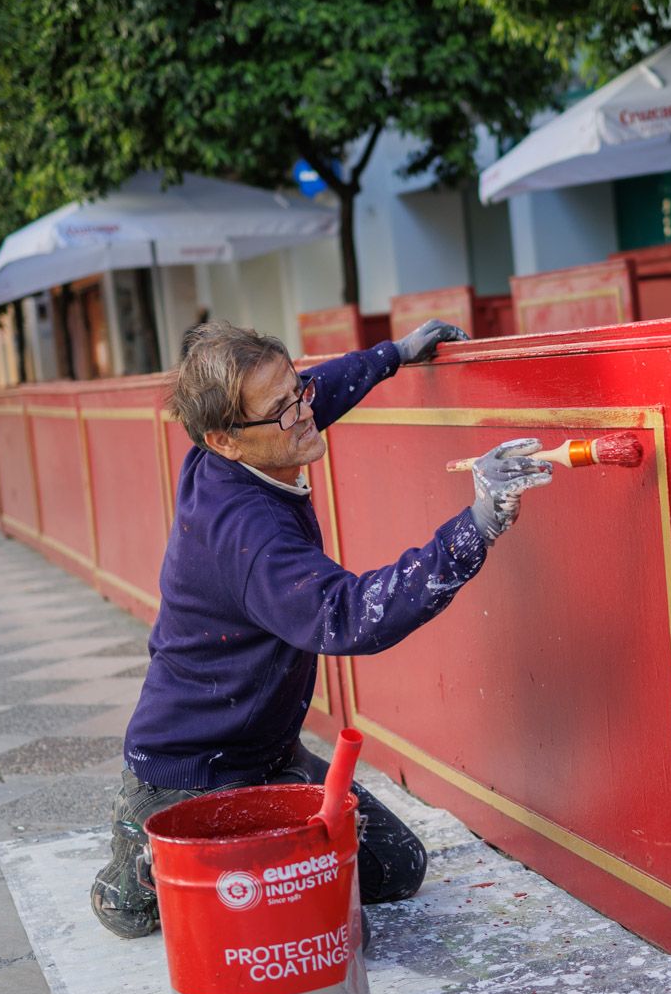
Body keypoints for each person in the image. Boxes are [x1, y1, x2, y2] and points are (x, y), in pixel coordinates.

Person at [90, 318, 554, 938]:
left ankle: (250, 844)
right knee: (163, 912)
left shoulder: (241, 444)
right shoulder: (248, 532)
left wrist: (394, 354)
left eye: (297, 390)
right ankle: (139, 853)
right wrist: (477, 525)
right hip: (189, 770)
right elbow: (347, 616)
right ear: (225, 440)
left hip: (269, 758)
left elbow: (314, 394)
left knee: (396, 868)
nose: (305, 411)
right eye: (283, 409)